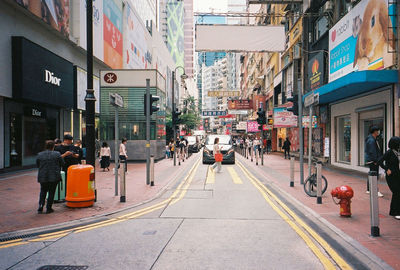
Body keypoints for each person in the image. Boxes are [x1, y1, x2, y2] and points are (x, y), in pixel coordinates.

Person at [36, 140, 64, 214]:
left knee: (43, 191)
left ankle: (40, 206)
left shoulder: (40, 154)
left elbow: (38, 165)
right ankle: (49, 208)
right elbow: (62, 163)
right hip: (54, 176)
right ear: (53, 147)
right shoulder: (57, 154)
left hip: (43, 176)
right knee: (51, 192)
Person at [378, 137, 400, 220]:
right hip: (391, 177)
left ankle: (397, 211)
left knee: (398, 193)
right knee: (396, 192)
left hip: (398, 175)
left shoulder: (397, 152)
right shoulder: (389, 152)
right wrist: (386, 169)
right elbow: (379, 161)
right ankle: (395, 212)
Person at [365, 126, 384, 197]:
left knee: (371, 174)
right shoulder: (371, 140)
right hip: (373, 160)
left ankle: (369, 189)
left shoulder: (372, 139)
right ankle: (375, 190)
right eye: (378, 131)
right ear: (375, 132)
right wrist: (375, 160)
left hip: (372, 160)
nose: (379, 132)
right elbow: (372, 151)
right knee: (374, 175)